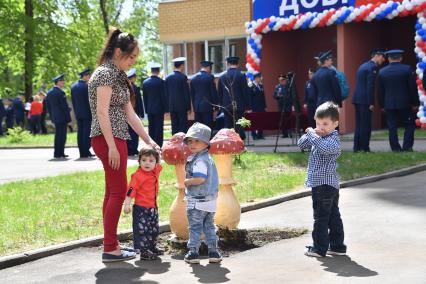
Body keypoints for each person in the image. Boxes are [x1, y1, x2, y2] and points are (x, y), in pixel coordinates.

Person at [88, 27, 160, 263]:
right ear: (118, 51)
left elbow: (131, 114)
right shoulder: (105, 74)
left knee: (113, 192)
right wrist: (110, 146)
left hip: (116, 138)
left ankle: (112, 245)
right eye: (131, 57)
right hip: (107, 138)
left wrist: (148, 140)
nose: (133, 62)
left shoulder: (117, 75)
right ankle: (110, 248)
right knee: (118, 192)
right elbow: (101, 111)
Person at [297, 101, 346, 258]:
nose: (321, 127)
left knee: (321, 217)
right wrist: (311, 134)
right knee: (331, 215)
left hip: (324, 186)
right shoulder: (317, 136)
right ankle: (337, 246)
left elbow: (323, 148)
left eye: (325, 123)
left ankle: (319, 248)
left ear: (335, 124)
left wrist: (312, 133)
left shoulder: (333, 141)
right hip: (321, 184)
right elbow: (301, 144)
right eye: (318, 123)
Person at [183, 122, 221, 264]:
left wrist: (187, 182)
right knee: (209, 226)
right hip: (210, 201)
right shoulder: (208, 159)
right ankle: (213, 251)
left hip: (197, 202)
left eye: (197, 141)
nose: (192, 144)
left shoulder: (199, 161)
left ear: (206, 143)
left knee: (195, 227)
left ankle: (193, 252)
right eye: (190, 141)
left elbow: (200, 179)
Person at [124, 147, 163, 260]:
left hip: (153, 208)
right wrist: (127, 205)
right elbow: (130, 192)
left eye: (151, 161)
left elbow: (160, 162)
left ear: (156, 163)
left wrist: (158, 152)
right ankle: (144, 252)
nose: (147, 163)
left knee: (154, 229)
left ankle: (152, 248)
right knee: (143, 231)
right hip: (141, 209)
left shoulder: (154, 171)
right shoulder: (137, 176)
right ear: (139, 161)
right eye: (144, 160)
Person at [377, 49, 419, 152]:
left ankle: (395, 148)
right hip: (405, 103)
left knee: (392, 126)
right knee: (409, 124)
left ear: (388, 58)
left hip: (389, 104)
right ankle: (407, 147)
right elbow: (412, 88)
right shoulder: (407, 69)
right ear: (400, 58)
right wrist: (415, 103)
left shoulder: (382, 72)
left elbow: (380, 91)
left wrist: (382, 105)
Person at [352, 49, 386, 152]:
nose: (383, 60)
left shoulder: (363, 65)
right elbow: (370, 86)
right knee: (366, 125)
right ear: (376, 56)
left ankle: (357, 147)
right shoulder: (373, 67)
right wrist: (371, 102)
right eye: (382, 57)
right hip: (365, 100)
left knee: (359, 125)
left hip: (358, 99)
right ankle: (365, 148)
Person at [217, 56, 251, 140]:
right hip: (239, 105)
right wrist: (247, 106)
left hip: (226, 105)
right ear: (238, 64)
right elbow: (245, 92)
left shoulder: (222, 76)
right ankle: (240, 141)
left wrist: (221, 106)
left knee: (228, 125)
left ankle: (229, 142)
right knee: (240, 124)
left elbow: (220, 93)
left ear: (228, 64)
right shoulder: (241, 75)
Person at [45, 74, 72, 158]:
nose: (63, 82)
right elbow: (64, 107)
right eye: (62, 81)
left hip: (55, 117)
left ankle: (57, 153)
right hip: (62, 117)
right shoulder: (60, 92)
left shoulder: (49, 93)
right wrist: (68, 116)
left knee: (58, 135)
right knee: (62, 136)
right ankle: (60, 153)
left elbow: (48, 107)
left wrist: (52, 116)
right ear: (58, 82)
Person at [142, 62, 168, 147]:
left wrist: (146, 109)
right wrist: (166, 109)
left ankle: (151, 144)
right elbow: (163, 96)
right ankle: (158, 145)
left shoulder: (145, 82)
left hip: (149, 108)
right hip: (159, 109)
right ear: (158, 71)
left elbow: (145, 97)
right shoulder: (161, 82)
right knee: (159, 128)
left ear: (151, 71)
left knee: (151, 127)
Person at [71, 68, 94, 158]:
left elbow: (73, 101)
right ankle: (85, 151)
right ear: (85, 76)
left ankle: (82, 151)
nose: (89, 77)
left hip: (78, 113)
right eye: (89, 76)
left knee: (80, 133)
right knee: (86, 133)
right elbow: (90, 101)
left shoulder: (73, 86)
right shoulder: (87, 86)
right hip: (87, 113)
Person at [165, 57, 191, 134]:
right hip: (182, 106)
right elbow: (186, 93)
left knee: (174, 126)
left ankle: (174, 142)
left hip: (172, 106)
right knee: (183, 126)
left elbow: (166, 94)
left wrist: (167, 107)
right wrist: (188, 107)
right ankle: (182, 144)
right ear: (182, 65)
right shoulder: (183, 77)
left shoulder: (168, 77)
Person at [190, 60, 218, 130]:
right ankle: (207, 140)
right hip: (207, 106)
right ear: (208, 67)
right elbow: (213, 93)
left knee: (198, 127)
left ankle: (199, 141)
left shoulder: (193, 78)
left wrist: (194, 107)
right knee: (207, 127)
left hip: (197, 107)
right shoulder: (210, 77)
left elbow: (192, 95)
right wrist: (216, 106)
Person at [126, 68, 145, 156]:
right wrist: (141, 113)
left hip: (125, 114)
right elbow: (139, 102)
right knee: (134, 132)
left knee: (127, 131)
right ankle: (133, 149)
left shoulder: (124, 87)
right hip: (134, 113)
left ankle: (129, 149)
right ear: (133, 77)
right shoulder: (134, 88)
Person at [249, 72, 267, 139]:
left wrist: (265, 106)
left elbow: (263, 97)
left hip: (261, 106)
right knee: (253, 121)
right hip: (254, 107)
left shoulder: (261, 86)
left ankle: (260, 135)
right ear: (256, 78)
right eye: (259, 78)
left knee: (261, 120)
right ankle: (254, 135)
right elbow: (249, 98)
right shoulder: (251, 86)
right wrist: (250, 107)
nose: (260, 79)